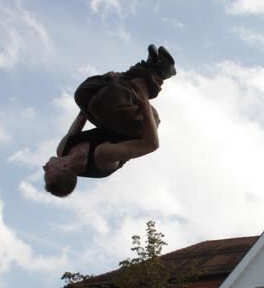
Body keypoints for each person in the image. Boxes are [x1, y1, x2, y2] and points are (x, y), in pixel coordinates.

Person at [43, 45, 174, 197]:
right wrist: (143, 98)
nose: (45, 167)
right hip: (143, 123)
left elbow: (82, 115)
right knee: (99, 105)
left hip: (118, 112)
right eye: (48, 172)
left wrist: (110, 81)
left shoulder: (63, 149)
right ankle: (158, 73)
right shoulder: (101, 158)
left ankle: (150, 68)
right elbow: (151, 144)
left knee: (82, 95)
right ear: (65, 166)